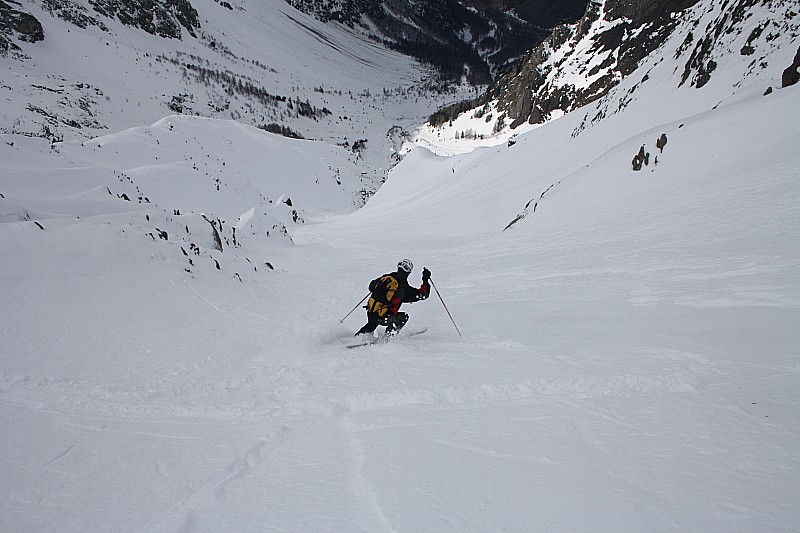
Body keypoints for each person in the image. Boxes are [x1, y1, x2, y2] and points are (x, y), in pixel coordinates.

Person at [356, 259, 431, 338]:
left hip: (371, 311)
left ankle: (357, 337)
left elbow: (371, 286)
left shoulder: (386, 278)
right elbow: (423, 295)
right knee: (403, 317)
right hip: (384, 316)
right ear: (409, 272)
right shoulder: (403, 288)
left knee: (372, 324)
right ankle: (389, 337)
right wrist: (425, 279)